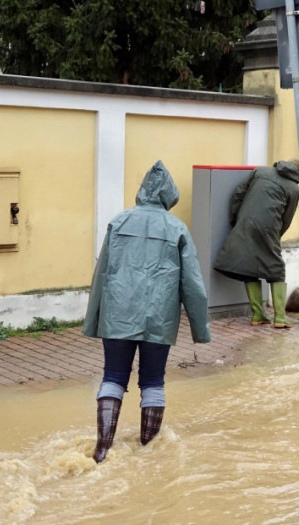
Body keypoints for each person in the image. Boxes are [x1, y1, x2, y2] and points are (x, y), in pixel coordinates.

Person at [83, 160, 210, 463]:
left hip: (117, 315)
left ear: (142, 190)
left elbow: (101, 275)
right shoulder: (177, 227)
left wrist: (94, 320)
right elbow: (192, 284)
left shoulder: (119, 221)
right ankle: (148, 450)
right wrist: (198, 329)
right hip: (159, 317)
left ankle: (102, 448)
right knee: (153, 381)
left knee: (113, 375)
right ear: (169, 195)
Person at [213, 160, 299, 329]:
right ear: (298, 174)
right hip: (270, 228)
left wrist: (237, 218)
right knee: (277, 270)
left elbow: (238, 193)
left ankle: (257, 314)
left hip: (246, 222)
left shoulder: (259, 172)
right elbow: (287, 218)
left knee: (249, 265)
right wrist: (276, 235)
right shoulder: (294, 188)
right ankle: (280, 317)